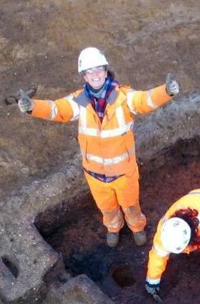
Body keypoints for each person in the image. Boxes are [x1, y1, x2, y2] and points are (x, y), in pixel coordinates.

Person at [17, 47, 179, 247]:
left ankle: (137, 228)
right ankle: (113, 228)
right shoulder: (79, 101)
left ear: (105, 70)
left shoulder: (124, 98)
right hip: (95, 175)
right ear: (84, 76)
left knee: (131, 206)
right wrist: (32, 107)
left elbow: (145, 100)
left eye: (98, 70)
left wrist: (166, 91)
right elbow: (57, 109)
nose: (95, 75)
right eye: (89, 71)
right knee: (107, 208)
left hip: (124, 174)